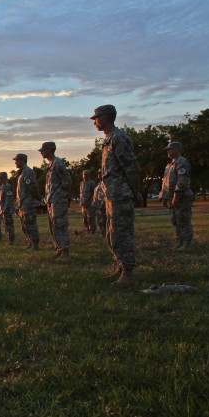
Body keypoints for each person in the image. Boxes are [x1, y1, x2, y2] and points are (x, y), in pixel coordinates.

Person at [92, 104, 142, 286]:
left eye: (96, 117)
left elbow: (130, 167)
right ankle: (121, 267)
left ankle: (129, 273)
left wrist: (135, 191)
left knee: (122, 233)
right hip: (111, 195)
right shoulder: (108, 140)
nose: (94, 122)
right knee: (112, 233)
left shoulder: (119, 138)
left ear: (106, 117)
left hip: (120, 194)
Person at [39, 142, 71, 260]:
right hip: (51, 200)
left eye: (43, 150)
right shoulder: (50, 165)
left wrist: (62, 195)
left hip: (58, 200)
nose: (41, 152)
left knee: (60, 225)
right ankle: (60, 249)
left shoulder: (58, 163)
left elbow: (67, 180)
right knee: (53, 226)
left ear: (50, 150)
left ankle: (65, 252)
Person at [158, 141, 194, 250]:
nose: (168, 151)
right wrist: (164, 197)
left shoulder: (182, 162)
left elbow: (182, 180)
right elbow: (166, 182)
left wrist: (176, 196)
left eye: (170, 149)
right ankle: (179, 241)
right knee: (176, 220)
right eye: (167, 149)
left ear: (177, 149)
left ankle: (186, 243)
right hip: (171, 197)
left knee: (183, 219)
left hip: (181, 197)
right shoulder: (170, 165)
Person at [13, 153, 43, 250]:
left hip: (28, 204)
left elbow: (32, 188)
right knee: (24, 226)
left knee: (30, 225)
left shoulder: (28, 172)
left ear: (22, 160)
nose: (15, 162)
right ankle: (30, 243)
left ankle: (35, 245)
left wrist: (38, 198)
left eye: (17, 160)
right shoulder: (21, 173)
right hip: (22, 204)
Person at [0, 172, 16, 245]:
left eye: (1, 177)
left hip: (7, 210)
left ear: (5, 178)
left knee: (9, 225)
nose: (0, 179)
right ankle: (9, 240)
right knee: (5, 226)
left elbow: (9, 199)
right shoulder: (1, 187)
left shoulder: (7, 186)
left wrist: (5, 208)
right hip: (2, 210)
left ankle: (11, 240)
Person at [91, 170, 107, 236]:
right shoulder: (98, 184)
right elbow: (95, 196)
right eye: (98, 173)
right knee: (99, 221)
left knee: (105, 221)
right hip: (99, 207)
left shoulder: (107, 183)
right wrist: (94, 204)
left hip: (105, 206)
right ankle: (104, 233)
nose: (99, 175)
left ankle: (107, 233)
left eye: (100, 173)